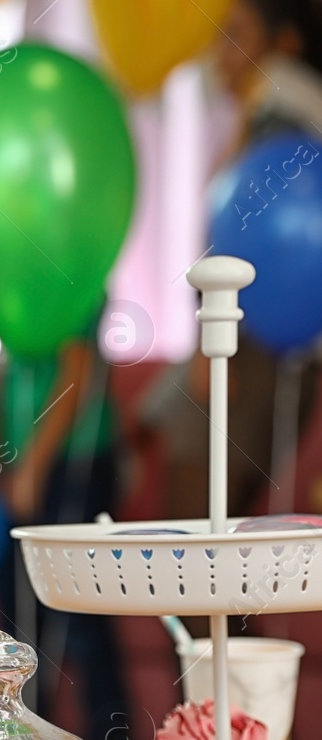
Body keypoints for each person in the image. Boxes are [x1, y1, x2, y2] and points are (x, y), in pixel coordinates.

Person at [139, 0, 322, 524]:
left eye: (236, 33)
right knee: (212, 545)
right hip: (260, 345)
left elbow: (250, 237)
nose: (222, 50)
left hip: (250, 347)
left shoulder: (285, 108)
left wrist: (214, 343)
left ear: (284, 41)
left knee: (198, 539)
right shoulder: (272, 110)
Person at [0, 328, 131, 740]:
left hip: (71, 461)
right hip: (36, 460)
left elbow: (78, 372)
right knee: (17, 601)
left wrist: (33, 464)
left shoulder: (67, 280)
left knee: (80, 606)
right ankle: (24, 735)